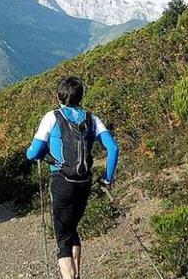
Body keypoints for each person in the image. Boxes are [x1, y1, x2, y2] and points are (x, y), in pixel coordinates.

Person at [26, 76, 119, 279]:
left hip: (61, 181)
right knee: (72, 229)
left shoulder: (52, 117)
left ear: (58, 95)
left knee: (62, 237)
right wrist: (107, 179)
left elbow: (32, 153)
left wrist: (38, 153)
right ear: (81, 96)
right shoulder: (92, 119)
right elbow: (113, 148)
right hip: (83, 182)